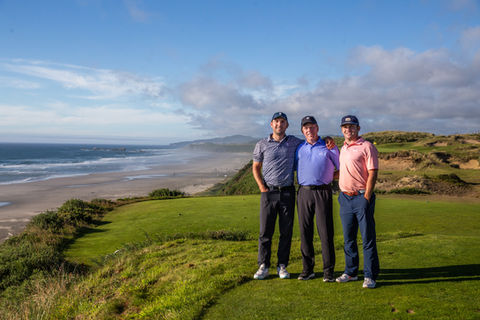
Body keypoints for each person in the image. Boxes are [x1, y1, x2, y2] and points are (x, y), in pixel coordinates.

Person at [252, 112, 302, 280]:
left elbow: (312, 143)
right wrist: (262, 188)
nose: (279, 124)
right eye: (276, 121)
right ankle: (263, 265)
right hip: (269, 192)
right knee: (265, 231)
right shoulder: (262, 144)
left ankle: (282, 265)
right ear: (271, 124)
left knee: (286, 232)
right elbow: (256, 168)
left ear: (287, 125)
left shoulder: (294, 142)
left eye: (283, 122)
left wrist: (329, 140)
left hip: (287, 192)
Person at [335, 115, 380, 289]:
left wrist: (367, 196)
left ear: (358, 128)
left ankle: (370, 276)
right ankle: (351, 272)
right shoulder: (343, 147)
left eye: (352, 126)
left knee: (367, 238)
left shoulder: (367, 146)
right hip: (345, 198)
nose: (348, 129)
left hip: (362, 196)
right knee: (348, 238)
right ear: (342, 129)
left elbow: (373, 172)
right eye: (345, 127)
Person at [295, 116, 340, 281]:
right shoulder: (299, 148)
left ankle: (328, 271)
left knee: (325, 232)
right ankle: (308, 270)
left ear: (317, 128)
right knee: (305, 232)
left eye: (312, 127)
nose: (309, 130)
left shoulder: (330, 147)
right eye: (306, 128)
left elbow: (342, 168)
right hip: (304, 192)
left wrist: (328, 177)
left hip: (323, 192)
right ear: (302, 131)